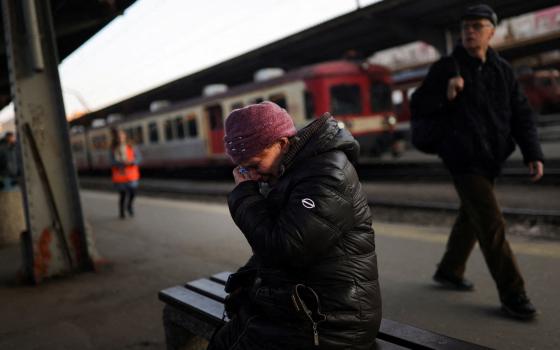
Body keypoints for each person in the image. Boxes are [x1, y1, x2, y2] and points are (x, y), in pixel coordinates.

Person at [208, 102, 381, 350]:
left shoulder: (327, 174)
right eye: (244, 169)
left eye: (255, 165)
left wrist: (244, 197)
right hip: (303, 302)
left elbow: (286, 249)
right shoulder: (290, 170)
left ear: (282, 143)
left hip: (331, 321)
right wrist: (246, 281)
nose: (253, 176)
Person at [410, 4, 544, 320]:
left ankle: (449, 270)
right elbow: (418, 105)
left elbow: (521, 114)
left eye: (477, 26)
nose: (469, 31)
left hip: (491, 157)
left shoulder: (502, 70)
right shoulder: (447, 67)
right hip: (462, 157)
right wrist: (445, 93)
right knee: (491, 222)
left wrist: (533, 152)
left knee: (471, 216)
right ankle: (514, 294)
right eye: (466, 26)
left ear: (491, 32)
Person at [110, 129, 141, 219]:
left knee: (133, 193)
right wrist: (122, 163)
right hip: (120, 177)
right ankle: (121, 211)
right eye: (118, 137)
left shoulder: (131, 146)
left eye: (121, 136)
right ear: (116, 138)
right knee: (122, 195)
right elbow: (111, 162)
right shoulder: (113, 149)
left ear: (125, 136)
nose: (120, 138)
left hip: (131, 176)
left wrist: (132, 162)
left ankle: (129, 206)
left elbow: (139, 158)